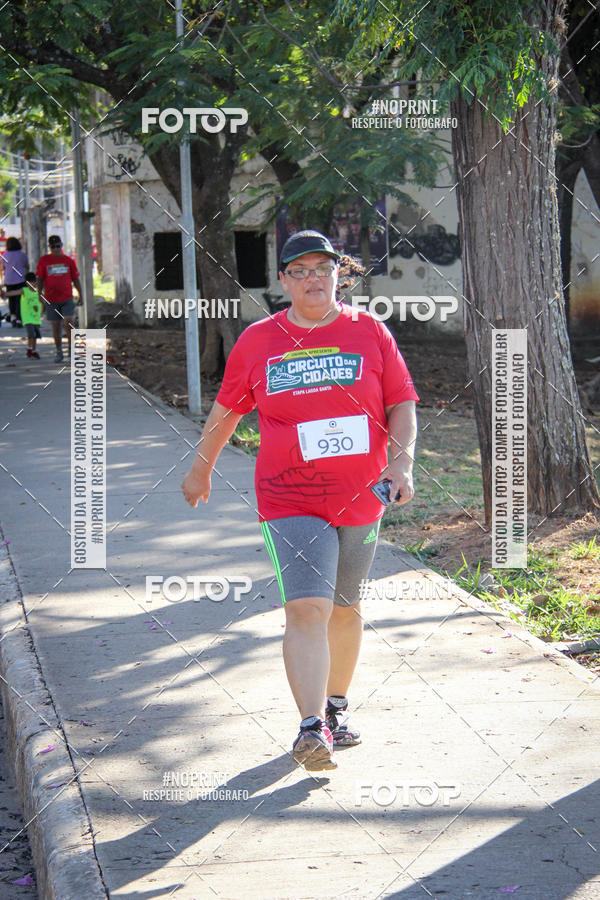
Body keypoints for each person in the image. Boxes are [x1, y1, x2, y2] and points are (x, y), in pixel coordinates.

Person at [181, 229, 418, 771]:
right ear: (284, 280)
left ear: (341, 274)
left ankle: (337, 707)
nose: (314, 278)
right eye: (301, 270)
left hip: (362, 495)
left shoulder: (371, 334)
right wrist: (201, 470)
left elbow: (402, 402)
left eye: (323, 268)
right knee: (306, 605)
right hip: (289, 494)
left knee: (344, 607)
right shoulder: (259, 340)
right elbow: (227, 412)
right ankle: (311, 728)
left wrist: (401, 462)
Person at [36, 235, 82, 363]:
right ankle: (59, 351)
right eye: (53, 247)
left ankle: (72, 350)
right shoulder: (44, 261)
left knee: (69, 323)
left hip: (67, 298)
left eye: (58, 246)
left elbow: (75, 279)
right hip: (51, 299)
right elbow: (40, 278)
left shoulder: (68, 261)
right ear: (49, 247)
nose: (56, 249)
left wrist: (81, 294)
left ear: (61, 246)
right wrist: (40, 294)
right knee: (55, 327)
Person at [0, 236, 29, 327]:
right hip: (21, 279)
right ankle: (19, 319)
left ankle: (13, 317)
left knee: (11, 299)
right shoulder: (22, 254)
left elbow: (2, 268)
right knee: (19, 300)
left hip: (9, 280)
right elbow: (27, 266)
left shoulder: (5, 255)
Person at [21, 272, 42, 359]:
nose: (32, 284)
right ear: (26, 283)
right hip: (27, 318)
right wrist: (4, 294)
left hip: (36, 318)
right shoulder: (24, 291)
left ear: (36, 282)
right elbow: (14, 292)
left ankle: (31, 349)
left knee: (35, 336)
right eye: (29, 282)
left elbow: (43, 302)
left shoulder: (39, 293)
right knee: (31, 334)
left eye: (33, 282)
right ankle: (33, 351)